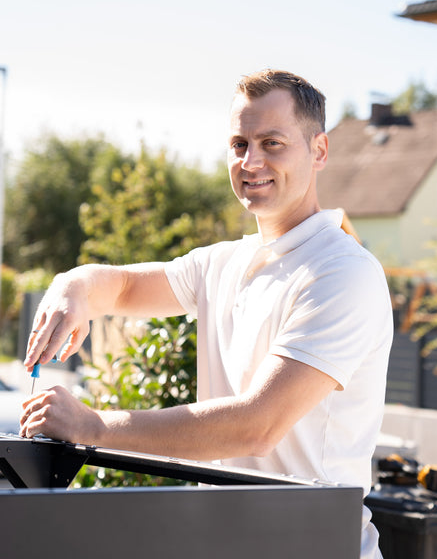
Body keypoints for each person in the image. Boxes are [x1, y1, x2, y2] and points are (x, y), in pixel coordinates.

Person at [21, 69, 393, 559]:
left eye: (272, 142)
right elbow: (127, 286)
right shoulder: (223, 262)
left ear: (319, 150)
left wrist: (94, 428)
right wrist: (73, 287)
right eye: (239, 143)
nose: (251, 160)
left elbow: (256, 425)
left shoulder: (343, 272)